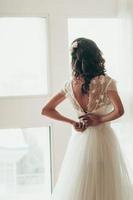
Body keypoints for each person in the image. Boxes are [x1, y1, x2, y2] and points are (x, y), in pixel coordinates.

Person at [41, 38, 132, 200]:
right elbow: (119, 111)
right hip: (103, 139)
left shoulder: (69, 85)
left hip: (80, 140)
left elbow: (46, 110)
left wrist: (73, 123)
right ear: (95, 56)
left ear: (74, 59)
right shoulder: (106, 82)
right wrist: (100, 120)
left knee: (80, 182)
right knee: (106, 184)